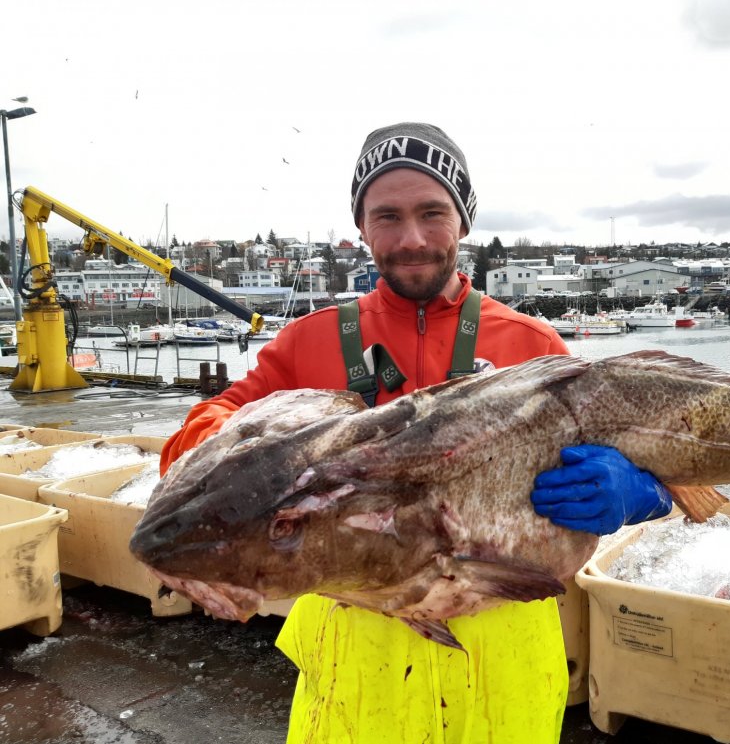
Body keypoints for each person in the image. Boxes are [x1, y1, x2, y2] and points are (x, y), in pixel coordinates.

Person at [159, 122, 672, 743]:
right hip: (354, 649)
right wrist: (220, 461)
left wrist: (641, 492)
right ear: (361, 228)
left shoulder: (532, 347)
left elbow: (647, 449)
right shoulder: (309, 343)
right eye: (387, 217)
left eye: (433, 213)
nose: (412, 239)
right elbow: (203, 428)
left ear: (462, 221)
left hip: (504, 645)